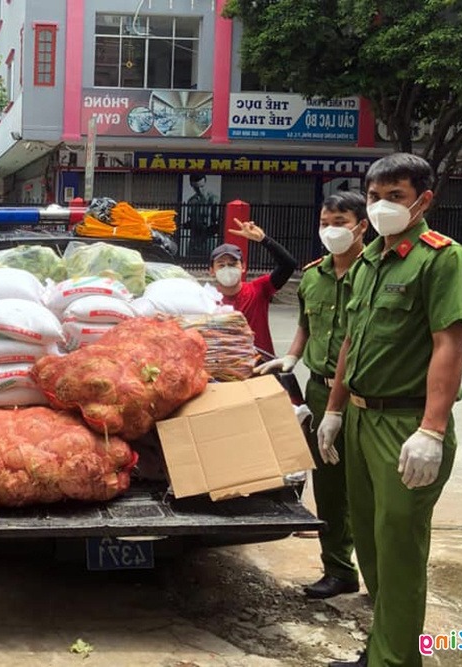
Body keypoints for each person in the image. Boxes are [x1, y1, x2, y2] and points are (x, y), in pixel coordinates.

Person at [318, 154, 462, 667]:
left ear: (424, 200)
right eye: (375, 196)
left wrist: (432, 431)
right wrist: (335, 409)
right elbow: (350, 341)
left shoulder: (445, 260)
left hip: (406, 425)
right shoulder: (369, 262)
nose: (383, 205)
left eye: (396, 195)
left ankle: (396, 660)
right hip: (361, 419)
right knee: (369, 541)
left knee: (399, 551)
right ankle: (384, 646)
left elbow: (449, 347)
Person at [255, 192, 368, 600]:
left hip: (365, 394)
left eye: (340, 221)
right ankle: (338, 570)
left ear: (362, 226)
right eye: (325, 222)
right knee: (330, 488)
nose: (331, 230)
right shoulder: (315, 275)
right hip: (321, 392)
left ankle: (383, 579)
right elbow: (306, 323)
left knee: (369, 491)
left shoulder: (373, 272)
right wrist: (291, 356)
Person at [209, 219, 297, 357]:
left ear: (243, 267)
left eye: (233, 264)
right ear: (212, 270)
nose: (227, 268)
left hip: (261, 368)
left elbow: (288, 265)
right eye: (221, 265)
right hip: (223, 369)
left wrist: (264, 239)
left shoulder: (259, 289)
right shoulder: (206, 300)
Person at [184, 173, 220, 258]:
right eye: (196, 188)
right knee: (190, 263)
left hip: (208, 239)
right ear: (192, 186)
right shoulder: (191, 201)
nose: (200, 190)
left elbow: (219, 219)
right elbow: (191, 219)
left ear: (205, 183)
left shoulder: (214, 199)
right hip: (194, 239)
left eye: (202, 187)